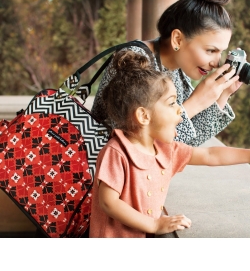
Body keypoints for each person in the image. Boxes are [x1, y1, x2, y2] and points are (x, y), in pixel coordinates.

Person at [89, 50, 250, 238]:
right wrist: (154, 225)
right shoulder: (117, 152)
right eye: (172, 103)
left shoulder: (165, 149)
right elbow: (108, 202)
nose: (180, 111)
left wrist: (247, 154)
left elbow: (210, 155)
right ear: (144, 116)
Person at [91, 0, 242, 147]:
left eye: (221, 52)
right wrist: (196, 103)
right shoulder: (133, 62)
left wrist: (223, 94)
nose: (216, 63)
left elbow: (185, 143)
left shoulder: (175, 69)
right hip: (99, 165)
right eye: (211, 50)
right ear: (177, 39)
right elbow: (141, 146)